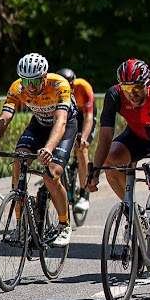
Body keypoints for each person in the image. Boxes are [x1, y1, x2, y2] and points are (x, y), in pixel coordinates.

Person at [88, 58, 150, 289]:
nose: (132, 94)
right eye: (127, 89)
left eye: (137, 88)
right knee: (111, 160)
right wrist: (95, 170)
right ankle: (134, 211)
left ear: (148, 84)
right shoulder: (114, 95)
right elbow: (105, 137)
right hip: (137, 137)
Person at [0, 53, 77, 247]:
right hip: (39, 125)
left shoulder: (60, 85)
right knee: (18, 162)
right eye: (26, 80)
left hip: (63, 126)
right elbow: (5, 117)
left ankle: (64, 225)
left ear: (44, 77)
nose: (30, 86)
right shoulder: (17, 87)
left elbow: (61, 121)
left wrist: (49, 148)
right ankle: (20, 225)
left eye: (35, 81)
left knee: (52, 174)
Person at [57, 67, 97, 214]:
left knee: (81, 148)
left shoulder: (84, 87)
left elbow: (88, 118)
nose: (70, 90)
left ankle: (84, 193)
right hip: (67, 113)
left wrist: (84, 138)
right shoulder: (54, 90)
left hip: (83, 115)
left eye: (71, 87)